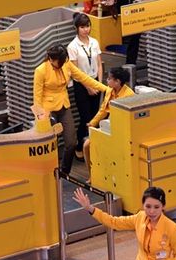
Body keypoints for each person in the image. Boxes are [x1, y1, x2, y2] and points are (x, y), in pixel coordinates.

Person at [33, 44, 108, 174]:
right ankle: (50, 171)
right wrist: (40, 118)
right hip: (47, 110)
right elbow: (37, 97)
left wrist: (105, 89)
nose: (61, 64)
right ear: (50, 58)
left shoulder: (66, 63)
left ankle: (64, 172)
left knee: (71, 142)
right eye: (59, 62)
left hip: (64, 105)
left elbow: (83, 77)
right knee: (50, 145)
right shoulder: (40, 70)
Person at [82, 67, 134, 180]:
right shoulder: (109, 91)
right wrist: (92, 123)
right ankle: (92, 176)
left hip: (121, 130)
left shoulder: (129, 95)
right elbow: (103, 109)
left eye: (109, 78)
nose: (107, 80)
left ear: (118, 81)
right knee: (86, 145)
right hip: (108, 126)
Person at [68, 13, 103, 163]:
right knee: (85, 118)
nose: (86, 29)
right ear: (76, 28)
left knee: (97, 116)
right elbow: (76, 72)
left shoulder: (94, 42)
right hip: (81, 85)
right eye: (82, 27)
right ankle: (79, 146)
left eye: (87, 26)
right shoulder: (72, 46)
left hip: (95, 81)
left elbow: (99, 63)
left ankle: (94, 147)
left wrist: (99, 84)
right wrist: (88, 87)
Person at [125, 0, 157, 65]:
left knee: (152, 37)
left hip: (149, 5)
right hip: (138, 5)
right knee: (134, 37)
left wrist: (146, 9)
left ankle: (130, 63)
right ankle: (130, 63)